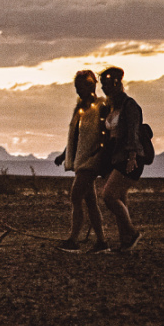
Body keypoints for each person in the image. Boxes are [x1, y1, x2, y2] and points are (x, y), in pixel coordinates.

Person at [58, 70, 110, 253]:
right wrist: (64, 155)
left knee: (75, 196)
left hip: (91, 161)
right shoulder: (80, 109)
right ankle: (102, 242)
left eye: (81, 87)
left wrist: (100, 155)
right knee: (90, 202)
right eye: (77, 88)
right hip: (80, 160)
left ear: (91, 86)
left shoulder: (102, 106)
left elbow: (106, 134)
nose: (78, 91)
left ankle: (73, 240)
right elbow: (76, 136)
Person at [99, 67, 144, 251]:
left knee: (108, 196)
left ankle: (132, 232)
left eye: (107, 85)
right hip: (115, 157)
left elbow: (134, 132)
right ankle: (125, 240)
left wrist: (132, 155)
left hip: (128, 156)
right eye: (103, 86)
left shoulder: (129, 106)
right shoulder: (111, 108)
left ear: (117, 84)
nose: (104, 89)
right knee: (120, 197)